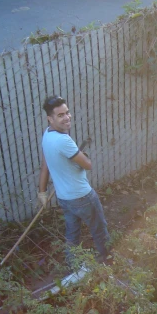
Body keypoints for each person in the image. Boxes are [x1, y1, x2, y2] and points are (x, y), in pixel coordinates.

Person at [38, 95, 111, 265]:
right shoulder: (64, 140)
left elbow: (45, 167)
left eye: (67, 113)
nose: (67, 117)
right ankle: (109, 262)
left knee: (72, 235)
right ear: (50, 118)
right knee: (100, 231)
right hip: (82, 197)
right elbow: (87, 165)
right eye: (60, 115)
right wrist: (82, 155)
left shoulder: (47, 135)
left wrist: (41, 192)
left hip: (65, 198)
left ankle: (73, 267)